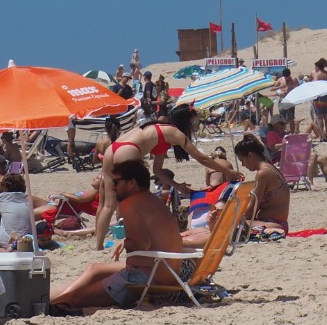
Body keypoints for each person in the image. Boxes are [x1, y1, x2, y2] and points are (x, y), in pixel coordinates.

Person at [50, 159, 192, 312]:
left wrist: (128, 242)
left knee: (74, 300)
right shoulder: (152, 200)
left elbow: (142, 244)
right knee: (94, 269)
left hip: (147, 276)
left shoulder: (130, 204)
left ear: (131, 183)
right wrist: (127, 242)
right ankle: (47, 298)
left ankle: (51, 302)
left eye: (116, 182)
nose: (112, 186)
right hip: (168, 271)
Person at [90, 105, 239, 249]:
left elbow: (158, 170)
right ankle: (138, 237)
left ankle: (98, 246)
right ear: (185, 121)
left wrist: (177, 186)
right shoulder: (174, 132)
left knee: (107, 204)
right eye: (193, 122)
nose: (195, 125)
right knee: (136, 201)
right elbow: (202, 158)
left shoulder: (161, 131)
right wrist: (229, 172)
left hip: (113, 149)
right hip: (129, 151)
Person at [234, 134, 290, 234]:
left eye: (242, 160)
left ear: (250, 156)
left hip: (273, 225)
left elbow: (253, 207)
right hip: (278, 223)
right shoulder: (269, 167)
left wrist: (238, 219)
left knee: (232, 226)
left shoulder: (263, 173)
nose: (243, 164)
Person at [310, 59, 327, 140]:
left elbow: (310, 84)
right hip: (326, 97)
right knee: (326, 118)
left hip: (318, 97)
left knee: (320, 117)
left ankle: (322, 136)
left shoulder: (315, 73)